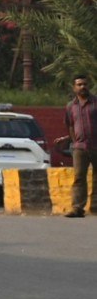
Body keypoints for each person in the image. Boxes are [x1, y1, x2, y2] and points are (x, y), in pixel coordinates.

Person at [67, 76, 96, 218]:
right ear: (74, 87)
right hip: (80, 147)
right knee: (79, 177)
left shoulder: (95, 103)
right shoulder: (70, 106)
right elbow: (70, 125)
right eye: (79, 84)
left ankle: (95, 207)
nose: (82, 87)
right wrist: (75, 142)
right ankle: (77, 208)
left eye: (84, 84)